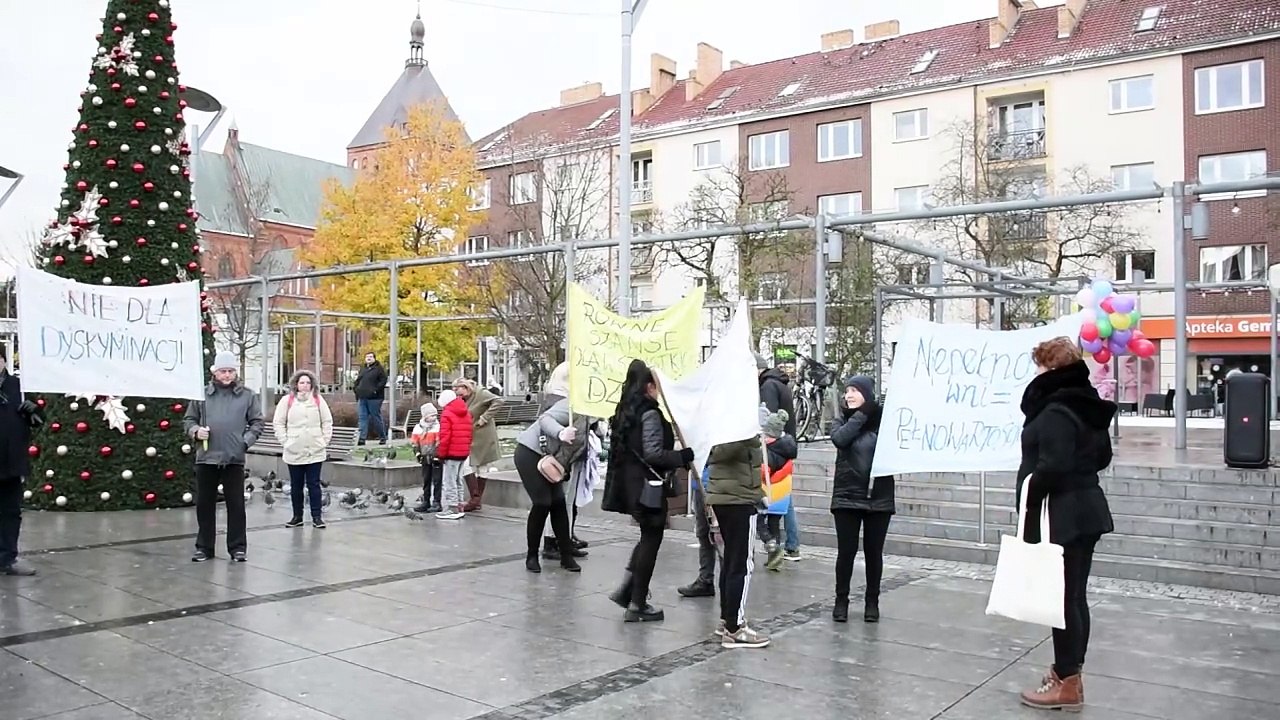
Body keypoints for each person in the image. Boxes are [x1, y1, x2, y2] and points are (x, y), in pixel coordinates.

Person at [1017, 337, 1116, 712]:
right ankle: (1068, 675)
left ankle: (1067, 680)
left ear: (1052, 369)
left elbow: (1052, 466)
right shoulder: (1086, 404)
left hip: (1065, 513)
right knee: (1073, 596)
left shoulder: (1057, 409)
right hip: (1085, 507)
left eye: (1041, 366)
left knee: (1065, 600)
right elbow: (1101, 456)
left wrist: (1031, 490)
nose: (1037, 373)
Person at [602, 359, 693, 623]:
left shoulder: (625, 411)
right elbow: (653, 453)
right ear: (649, 386)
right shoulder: (649, 412)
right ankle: (638, 603)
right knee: (651, 542)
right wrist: (682, 456)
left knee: (646, 539)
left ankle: (627, 591)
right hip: (648, 488)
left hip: (631, 486)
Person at [183, 352, 265, 562]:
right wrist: (195, 431)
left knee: (236, 505)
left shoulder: (247, 395)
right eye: (223, 371)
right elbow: (189, 420)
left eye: (230, 371)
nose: (227, 375)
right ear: (215, 372)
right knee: (205, 504)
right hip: (207, 458)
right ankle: (204, 547)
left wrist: (244, 442)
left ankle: (237, 547)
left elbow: (257, 422)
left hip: (233, 459)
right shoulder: (202, 395)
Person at [829, 375, 894, 623]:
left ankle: (872, 601)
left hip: (879, 496)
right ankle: (841, 600)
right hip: (847, 495)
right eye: (847, 391)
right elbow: (841, 439)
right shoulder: (841, 421)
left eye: (855, 390)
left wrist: (871, 413)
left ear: (867, 393)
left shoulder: (885, 421)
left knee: (873, 553)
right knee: (845, 552)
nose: (848, 395)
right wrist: (863, 413)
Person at [705, 436, 770, 649]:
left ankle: (727, 619)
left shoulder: (720, 420)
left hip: (727, 496)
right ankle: (735, 627)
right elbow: (726, 451)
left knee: (731, 561)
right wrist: (751, 436)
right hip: (738, 498)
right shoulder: (737, 427)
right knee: (742, 563)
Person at [514, 395, 588, 574]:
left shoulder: (592, 414)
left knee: (558, 504)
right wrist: (560, 432)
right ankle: (531, 555)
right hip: (530, 452)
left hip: (551, 461)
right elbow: (545, 419)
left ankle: (566, 556)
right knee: (542, 503)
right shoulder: (573, 404)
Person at [536, 362, 591, 556]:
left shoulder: (556, 398)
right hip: (562, 458)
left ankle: (561, 539)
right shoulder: (564, 403)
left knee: (564, 500)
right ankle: (556, 541)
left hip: (563, 457)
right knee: (562, 500)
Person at [272, 370, 334, 529]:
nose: (305, 386)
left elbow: (327, 421)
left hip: (315, 449)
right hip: (294, 450)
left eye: (308, 382)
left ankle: (317, 517)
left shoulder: (318, 400)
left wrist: (324, 440)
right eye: (302, 383)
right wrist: (285, 441)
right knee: (296, 485)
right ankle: (297, 516)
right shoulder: (287, 401)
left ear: (312, 384)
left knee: (314, 484)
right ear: (296, 384)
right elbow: (278, 422)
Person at [0, 348, 42, 576]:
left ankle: (7, 558)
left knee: (10, 512)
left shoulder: (19, 387)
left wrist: (34, 411)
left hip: (11, 461)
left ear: (4, 361)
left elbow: (37, 420)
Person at [757, 353, 802, 562]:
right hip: (786, 445)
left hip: (776, 448)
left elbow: (768, 418)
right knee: (785, 497)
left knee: (780, 499)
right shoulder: (779, 383)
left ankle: (789, 545)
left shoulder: (767, 386)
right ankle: (791, 545)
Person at [453, 378, 504, 511]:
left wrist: (484, 417)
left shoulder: (481, 393)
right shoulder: (464, 399)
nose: (458, 395)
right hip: (472, 435)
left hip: (484, 435)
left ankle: (475, 500)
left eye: (459, 391)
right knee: (471, 465)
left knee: (477, 465)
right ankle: (476, 500)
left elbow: (499, 400)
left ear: (465, 387)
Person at [757, 408, 798, 572]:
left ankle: (769, 543)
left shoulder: (768, 452)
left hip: (768, 492)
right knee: (775, 524)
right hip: (782, 494)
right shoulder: (787, 448)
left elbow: (761, 472)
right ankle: (774, 560)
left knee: (760, 522)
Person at [434, 389, 473, 520]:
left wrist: (441, 454)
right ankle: (460, 505)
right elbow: (469, 433)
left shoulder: (447, 413)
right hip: (463, 452)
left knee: (449, 481)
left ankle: (452, 508)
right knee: (458, 480)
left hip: (451, 452)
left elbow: (445, 436)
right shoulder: (465, 411)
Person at [411, 402, 443, 513]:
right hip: (424, 457)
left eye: (435, 415)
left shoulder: (438, 427)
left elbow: (440, 442)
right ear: (425, 416)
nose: (434, 418)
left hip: (436, 458)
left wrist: (438, 455)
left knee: (437, 480)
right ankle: (426, 500)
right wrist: (417, 453)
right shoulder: (418, 428)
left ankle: (437, 501)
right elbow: (415, 442)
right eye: (431, 415)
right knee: (426, 479)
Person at [354, 352, 388, 445]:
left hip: (374, 398)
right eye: (367, 357)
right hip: (362, 397)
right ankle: (361, 439)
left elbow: (383, 380)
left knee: (375, 417)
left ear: (374, 358)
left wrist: (375, 390)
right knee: (362, 418)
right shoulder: (363, 368)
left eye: (370, 357)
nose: (368, 358)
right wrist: (356, 389)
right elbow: (358, 380)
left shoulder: (379, 369)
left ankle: (382, 437)